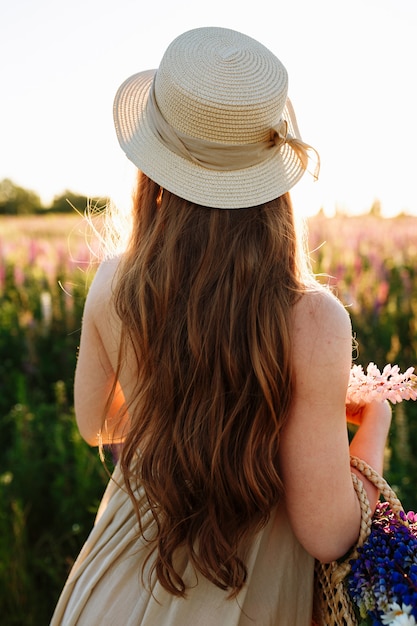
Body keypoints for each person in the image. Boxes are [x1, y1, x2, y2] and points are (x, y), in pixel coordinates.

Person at [50, 27, 391, 625]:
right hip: (245, 602)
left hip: (112, 592)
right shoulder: (313, 318)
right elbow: (329, 533)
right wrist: (373, 425)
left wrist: (181, 404)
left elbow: (94, 423)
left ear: (153, 164)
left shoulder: (113, 281)